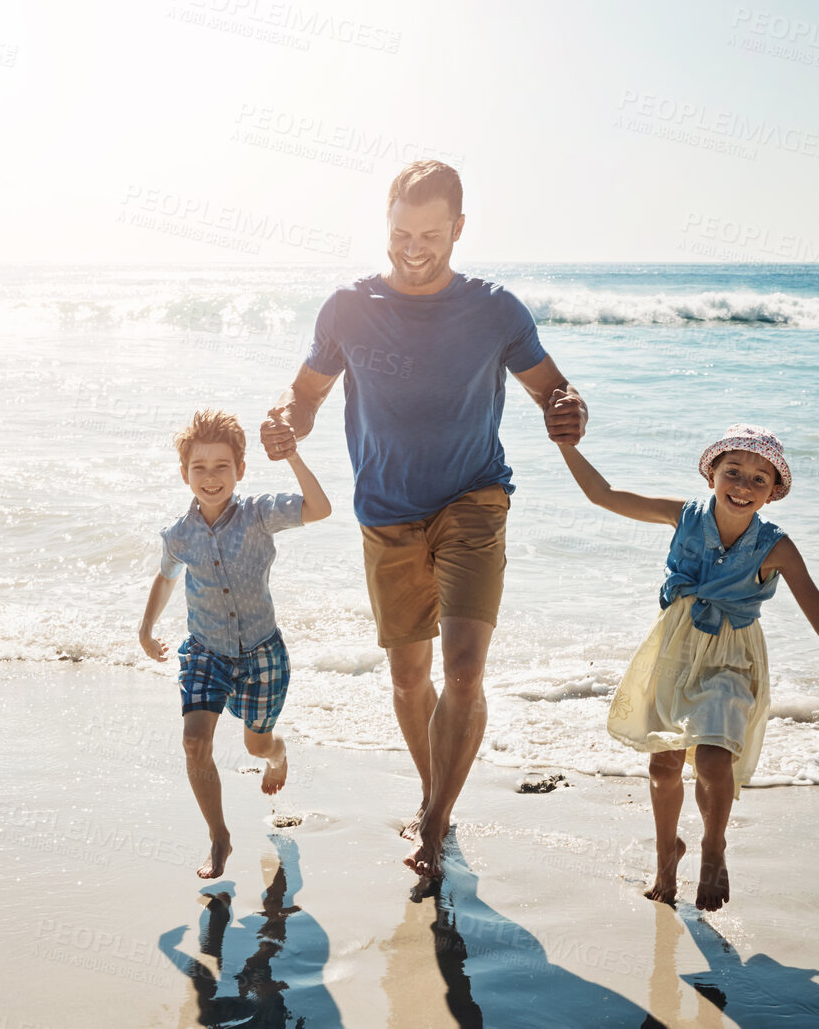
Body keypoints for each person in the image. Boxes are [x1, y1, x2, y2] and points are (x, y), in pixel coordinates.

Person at [261, 160, 587, 878]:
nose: (414, 247)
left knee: (463, 671)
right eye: (402, 232)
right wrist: (288, 421)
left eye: (431, 234)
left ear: (459, 230)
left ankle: (435, 821)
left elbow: (550, 387)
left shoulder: (496, 310)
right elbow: (308, 393)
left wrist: (569, 408)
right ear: (386, 225)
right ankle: (433, 792)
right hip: (387, 511)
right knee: (410, 678)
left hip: (474, 499)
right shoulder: (348, 307)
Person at [555, 421, 819, 910]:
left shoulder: (776, 547)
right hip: (674, 650)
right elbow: (603, 494)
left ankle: (713, 847)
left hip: (734, 657)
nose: (744, 486)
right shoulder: (683, 516)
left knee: (712, 757)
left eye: (759, 479)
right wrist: (566, 445)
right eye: (734, 471)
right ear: (712, 475)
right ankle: (667, 856)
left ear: (773, 493)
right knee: (664, 765)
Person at [138, 409, 331, 879]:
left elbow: (320, 507)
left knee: (255, 745)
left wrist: (293, 455)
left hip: (263, 654)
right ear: (184, 474)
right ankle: (219, 837)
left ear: (240, 471)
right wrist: (145, 630)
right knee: (193, 741)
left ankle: (278, 754)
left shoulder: (260, 514)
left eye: (222, 466)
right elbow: (165, 580)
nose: (210, 478)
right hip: (206, 652)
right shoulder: (178, 535)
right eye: (199, 468)